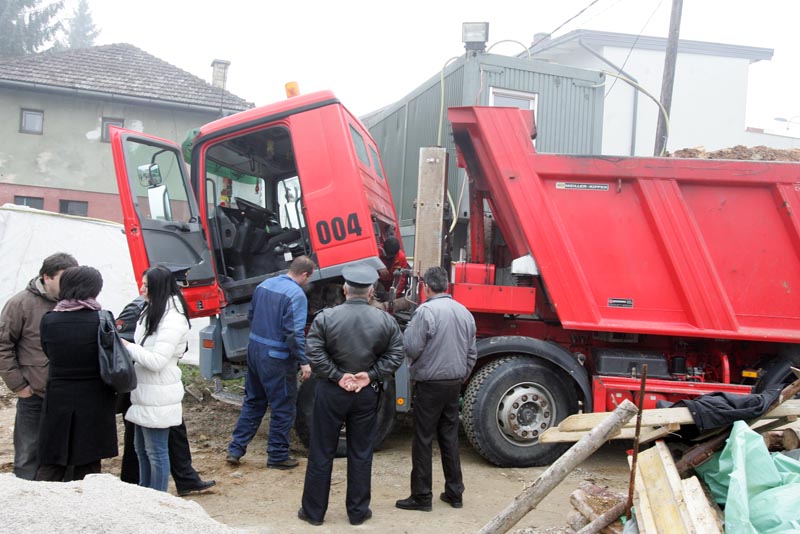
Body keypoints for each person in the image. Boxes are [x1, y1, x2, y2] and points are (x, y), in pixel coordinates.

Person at [298, 263, 404, 526]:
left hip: (331, 391)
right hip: (366, 393)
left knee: (321, 451)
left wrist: (337, 375)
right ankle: (357, 512)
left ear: (345, 289)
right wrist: (370, 375)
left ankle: (313, 513)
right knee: (360, 452)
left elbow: (314, 352)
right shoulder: (385, 320)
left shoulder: (325, 318)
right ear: (370, 292)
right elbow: (396, 355)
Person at [116, 295, 215, 496]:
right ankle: (138, 484)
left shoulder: (167, 315)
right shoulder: (140, 309)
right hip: (144, 385)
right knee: (145, 446)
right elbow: (135, 346)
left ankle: (181, 479)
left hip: (158, 387)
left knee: (159, 443)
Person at [396, 266, 477, 512]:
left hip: (430, 385)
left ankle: (421, 496)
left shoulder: (426, 312)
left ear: (426, 287)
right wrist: (461, 376)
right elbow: (472, 353)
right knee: (449, 437)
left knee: (422, 439)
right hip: (453, 384)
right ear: (447, 286)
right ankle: (454, 493)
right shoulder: (465, 313)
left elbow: (410, 347)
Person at [227, 256, 315, 469]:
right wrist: (304, 361)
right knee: (283, 407)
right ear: (304, 274)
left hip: (255, 352)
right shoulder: (296, 295)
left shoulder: (264, 285)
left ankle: (235, 449)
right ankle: (277, 456)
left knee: (253, 401)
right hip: (277, 358)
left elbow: (251, 315)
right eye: (308, 278)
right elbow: (293, 333)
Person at [0, 252, 78, 479]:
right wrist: (19, 387)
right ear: (46, 277)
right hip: (33, 394)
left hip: (67, 394)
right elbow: (3, 346)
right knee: (28, 453)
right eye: (63, 278)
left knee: (68, 453)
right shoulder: (20, 304)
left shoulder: (76, 303)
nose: (69, 284)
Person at [35, 266, 118, 481]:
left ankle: (41, 506)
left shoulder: (49, 320)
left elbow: (48, 352)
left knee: (52, 460)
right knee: (88, 464)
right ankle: (84, 510)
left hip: (58, 396)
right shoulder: (102, 319)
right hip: (94, 397)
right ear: (94, 290)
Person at [121, 265, 191, 492]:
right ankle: (145, 494)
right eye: (142, 284)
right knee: (140, 449)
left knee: (156, 452)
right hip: (145, 391)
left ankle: (158, 498)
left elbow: (158, 361)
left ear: (159, 288)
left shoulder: (173, 318)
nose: (142, 289)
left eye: (146, 286)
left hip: (159, 392)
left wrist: (128, 348)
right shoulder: (151, 310)